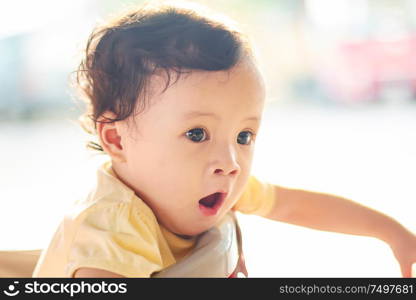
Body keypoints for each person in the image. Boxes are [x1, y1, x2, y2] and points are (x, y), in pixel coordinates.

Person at [32, 1, 416, 278]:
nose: (231, 161)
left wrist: (392, 232)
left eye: (244, 135)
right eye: (197, 134)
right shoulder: (111, 230)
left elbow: (295, 205)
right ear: (117, 140)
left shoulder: (208, 182)